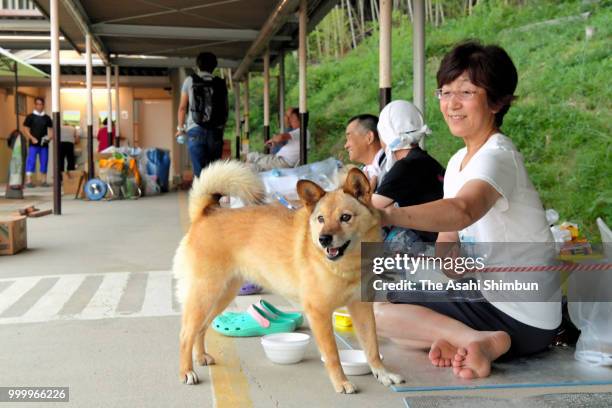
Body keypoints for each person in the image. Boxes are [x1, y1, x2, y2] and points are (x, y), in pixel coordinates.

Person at [374, 41, 561, 379]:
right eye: (444, 93)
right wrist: (450, 263)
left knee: (376, 313)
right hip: (495, 302)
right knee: (396, 307)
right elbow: (450, 237)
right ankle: (473, 343)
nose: (452, 104)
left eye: (466, 92)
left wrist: (386, 216)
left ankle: (477, 339)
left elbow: (463, 209)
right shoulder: (459, 161)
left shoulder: (498, 155)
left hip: (522, 313)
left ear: (498, 100)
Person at [371, 100, 445, 243]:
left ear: (386, 134)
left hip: (431, 247)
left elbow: (367, 209)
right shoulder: (425, 160)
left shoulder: (406, 166)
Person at [176, 52, 229, 178]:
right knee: (214, 174)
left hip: (195, 131)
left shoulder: (190, 80)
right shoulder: (220, 83)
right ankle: (214, 197)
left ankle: (201, 196)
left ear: (198, 65)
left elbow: (182, 108)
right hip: (215, 133)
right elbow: (226, 109)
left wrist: (180, 129)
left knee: (199, 175)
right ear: (214, 66)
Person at [246, 107, 310, 172]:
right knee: (252, 156)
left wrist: (272, 140)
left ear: (299, 119)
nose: (290, 120)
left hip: (283, 162)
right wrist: (276, 143)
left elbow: (281, 137)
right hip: (279, 160)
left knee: (252, 165)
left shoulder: (302, 131)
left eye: (292, 118)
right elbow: (285, 143)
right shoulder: (299, 132)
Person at [344, 113, 385, 191]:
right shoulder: (361, 173)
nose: (345, 146)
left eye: (349, 138)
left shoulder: (392, 165)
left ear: (369, 137)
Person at [24, 97, 53, 187]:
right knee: (31, 161)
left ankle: (43, 181)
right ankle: (28, 181)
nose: (39, 106)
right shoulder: (30, 117)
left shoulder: (47, 118)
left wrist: (49, 138)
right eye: (37, 104)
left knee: (44, 161)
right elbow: (25, 129)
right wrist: (31, 138)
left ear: (43, 105)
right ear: (35, 105)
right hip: (33, 144)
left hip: (44, 144)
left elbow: (51, 130)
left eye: (41, 104)